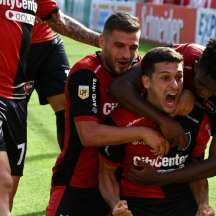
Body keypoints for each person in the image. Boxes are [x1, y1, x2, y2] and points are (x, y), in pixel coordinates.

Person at [109, 38, 216, 216]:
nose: (206, 94)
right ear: (195, 66)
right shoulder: (183, 54)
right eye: (202, 85)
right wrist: (163, 121)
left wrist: (159, 179)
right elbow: (120, 87)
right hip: (179, 114)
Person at [46, 12, 169, 216]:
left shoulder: (142, 71)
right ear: (102, 41)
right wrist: (142, 132)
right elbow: (89, 134)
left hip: (122, 185)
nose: (126, 55)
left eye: (133, 47)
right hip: (78, 180)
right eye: (118, 45)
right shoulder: (86, 73)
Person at [99, 47, 214, 216]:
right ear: (146, 82)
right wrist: (116, 204)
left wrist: (203, 204)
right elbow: (106, 173)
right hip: (135, 205)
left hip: (181, 203)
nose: (175, 85)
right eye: (165, 78)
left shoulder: (196, 119)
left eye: (179, 77)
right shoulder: (121, 120)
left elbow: (196, 171)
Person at [0, 1, 69, 214]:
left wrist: (100, 40)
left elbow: (56, 18)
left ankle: (71, 181)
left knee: (10, 183)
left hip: (16, 96)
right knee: (2, 180)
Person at [27, 11, 100, 150]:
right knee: (11, 112)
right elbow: (59, 22)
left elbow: (55, 18)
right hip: (15, 48)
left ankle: (70, 165)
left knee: (67, 106)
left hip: (49, 43)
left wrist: (105, 41)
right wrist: (104, 41)